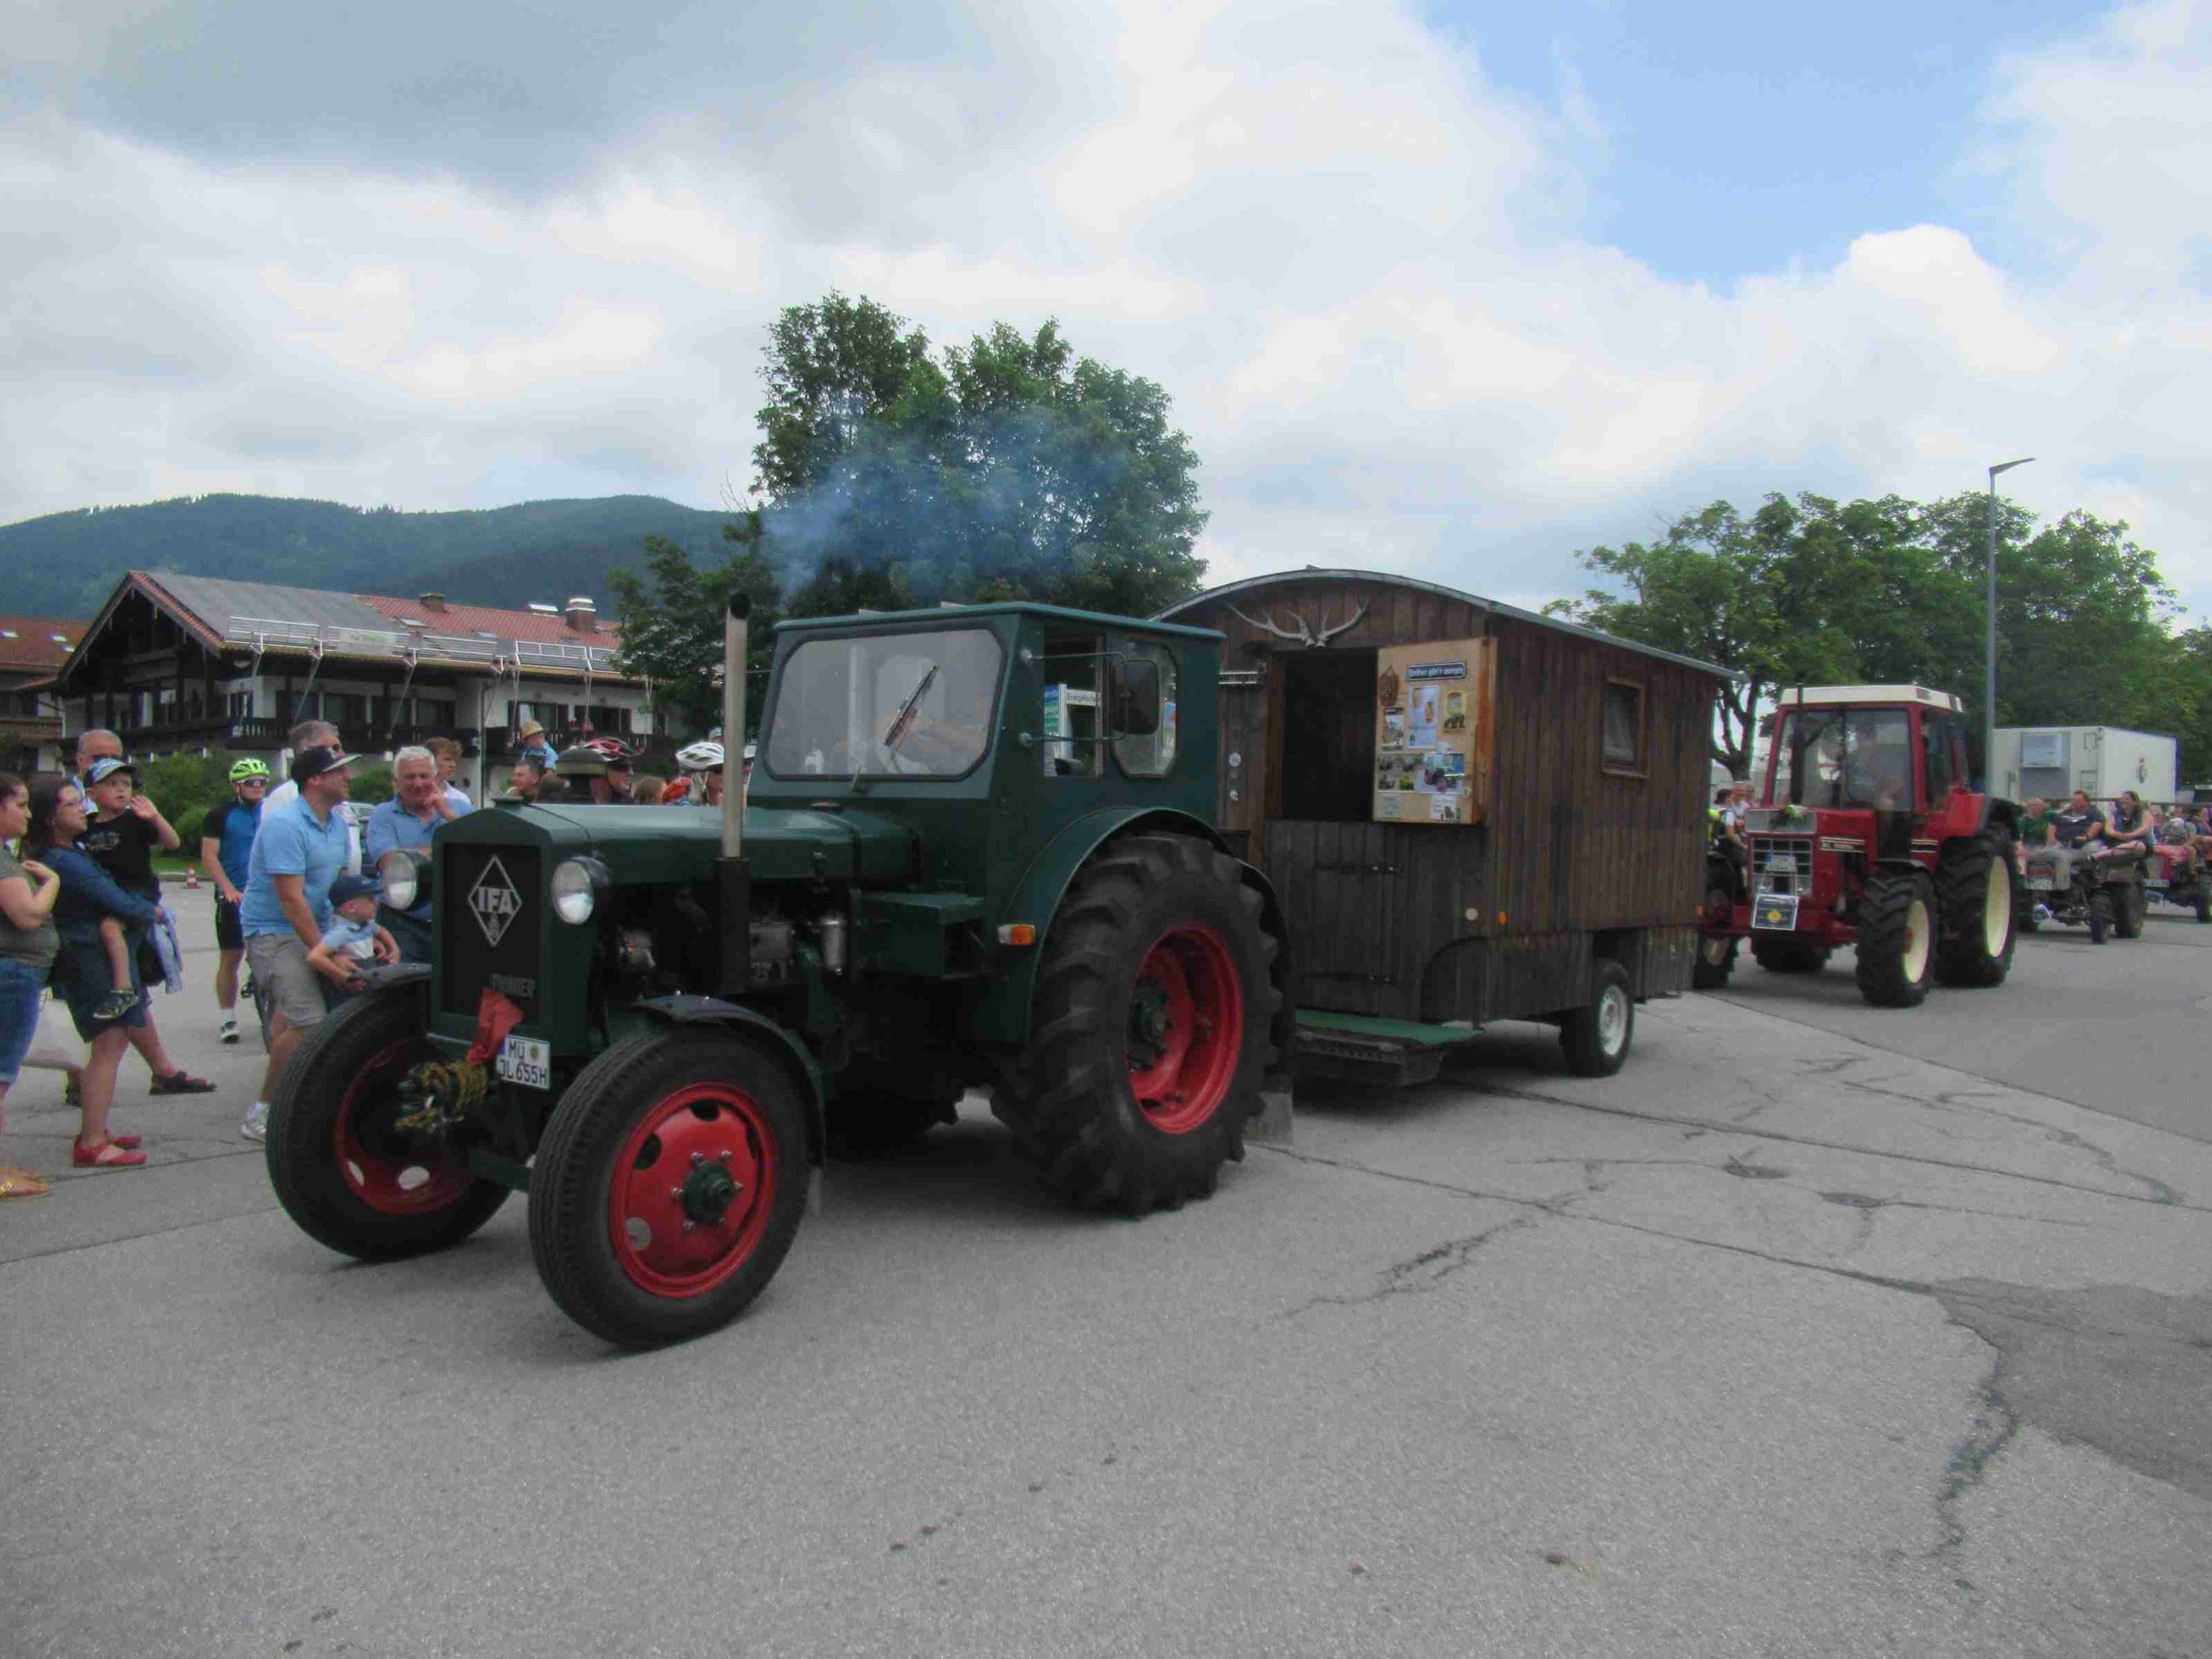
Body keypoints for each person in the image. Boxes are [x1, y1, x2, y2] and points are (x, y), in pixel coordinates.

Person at [238, 744, 387, 1141]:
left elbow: (336, 890)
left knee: (293, 1019)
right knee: (308, 1023)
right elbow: (291, 899)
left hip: (316, 928)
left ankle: (301, 1101)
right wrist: (325, 954)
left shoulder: (336, 824)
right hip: (274, 931)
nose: (349, 777)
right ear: (315, 779)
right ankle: (263, 1112)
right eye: (340, 771)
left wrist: (360, 934)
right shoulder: (285, 825)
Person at [23, 776, 159, 1168]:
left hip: (92, 954)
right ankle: (93, 1142)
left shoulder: (68, 851)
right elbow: (111, 897)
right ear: (50, 817)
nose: (83, 808)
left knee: (110, 1044)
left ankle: (95, 1130)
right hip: (90, 957)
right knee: (108, 1043)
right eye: (71, 804)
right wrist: (150, 911)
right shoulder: (63, 859)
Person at [79, 756, 211, 1094]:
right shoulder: (87, 825)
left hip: (137, 895)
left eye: (125, 784)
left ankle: (124, 987)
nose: (121, 790)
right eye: (112, 785)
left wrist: (155, 816)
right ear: (91, 793)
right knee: (107, 931)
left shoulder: (135, 820)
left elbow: (172, 843)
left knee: (111, 929)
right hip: (105, 896)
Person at [0, 772, 64, 1197]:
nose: (28, 814)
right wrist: (52, 883)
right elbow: (26, 916)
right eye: (20, 805)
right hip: (12, 974)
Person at [362, 746, 466, 963]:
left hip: (455, 923)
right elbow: (393, 865)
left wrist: (447, 815)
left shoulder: (460, 809)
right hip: (401, 923)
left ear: (435, 777)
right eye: (410, 777)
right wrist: (447, 846)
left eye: (424, 776)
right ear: (396, 781)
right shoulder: (383, 815)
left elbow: (479, 849)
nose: (418, 783)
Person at [200, 757, 270, 1042]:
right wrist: (227, 889)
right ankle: (228, 1019)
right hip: (235, 894)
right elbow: (209, 856)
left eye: (262, 781)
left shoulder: (273, 811)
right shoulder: (220, 814)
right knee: (231, 956)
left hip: (267, 894)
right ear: (236, 786)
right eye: (251, 782)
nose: (258, 786)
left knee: (273, 954)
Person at [264, 720, 363, 875]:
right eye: (335, 748)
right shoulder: (283, 801)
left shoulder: (337, 802)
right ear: (308, 752)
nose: (342, 753)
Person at [305, 874, 392, 991]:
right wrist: (345, 978)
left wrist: (393, 949)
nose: (376, 903)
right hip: (347, 991)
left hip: (368, 981)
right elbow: (314, 957)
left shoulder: (367, 924)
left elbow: (382, 931)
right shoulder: (340, 933)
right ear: (352, 907)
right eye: (371, 900)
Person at [554, 738, 636, 805]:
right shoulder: (564, 801)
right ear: (599, 768)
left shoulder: (627, 803)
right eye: (623, 766)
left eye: (631, 767)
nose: (631, 773)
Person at [425, 735, 473, 814]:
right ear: (430, 760)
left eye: (454, 760)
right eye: (447, 759)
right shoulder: (416, 794)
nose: (453, 765)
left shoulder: (461, 798)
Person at [676, 741, 724, 807]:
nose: (725, 773)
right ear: (699, 774)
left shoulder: (734, 804)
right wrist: (694, 799)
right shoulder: (681, 806)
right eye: (718, 769)